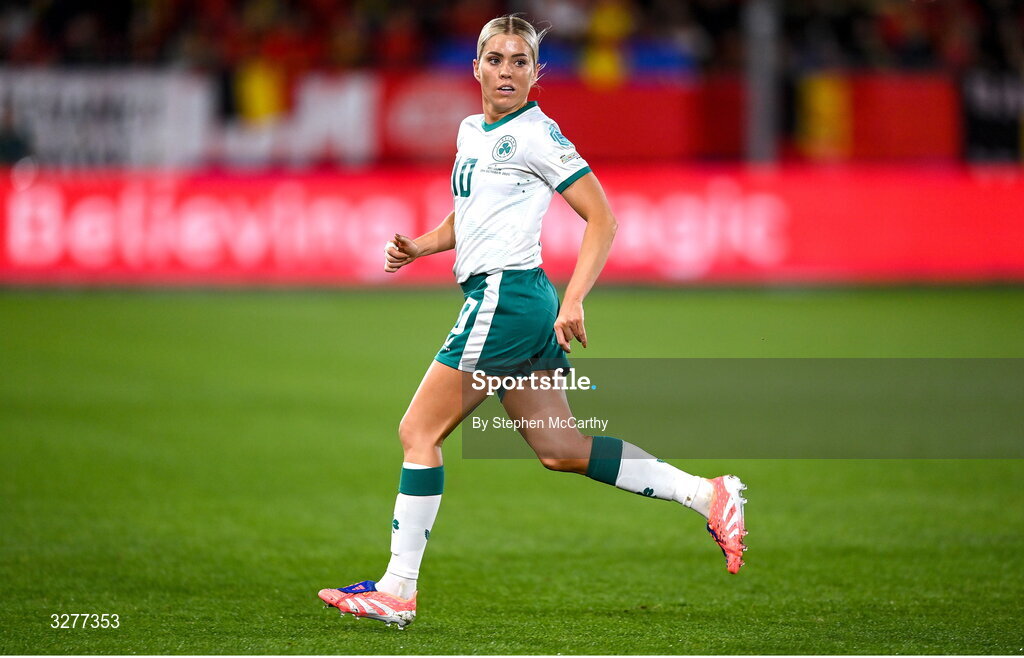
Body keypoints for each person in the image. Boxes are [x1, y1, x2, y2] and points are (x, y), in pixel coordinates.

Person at [317, 15, 747, 629]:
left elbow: (603, 218)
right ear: (476, 68)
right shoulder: (471, 131)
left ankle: (397, 589)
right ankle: (710, 495)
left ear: (536, 73)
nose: (507, 71)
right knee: (562, 449)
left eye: (520, 61)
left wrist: (575, 299)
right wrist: (422, 245)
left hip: (508, 301)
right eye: (496, 59)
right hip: (517, 304)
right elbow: (469, 217)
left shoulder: (538, 134)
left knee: (418, 433)